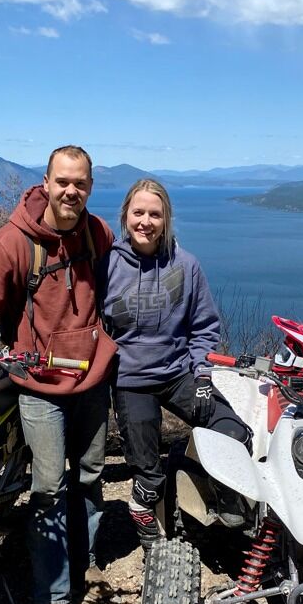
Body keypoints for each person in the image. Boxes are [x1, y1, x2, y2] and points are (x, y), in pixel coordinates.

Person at [0, 146, 116, 604]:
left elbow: (120, 284)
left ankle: (86, 562)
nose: (72, 191)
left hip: (91, 380)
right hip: (39, 385)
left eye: (81, 183)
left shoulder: (97, 235)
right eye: (63, 182)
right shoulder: (13, 242)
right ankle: (50, 598)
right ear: (46, 182)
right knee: (48, 487)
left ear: (90, 186)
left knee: (91, 478)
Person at [100, 178, 252, 550]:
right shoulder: (106, 265)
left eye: (155, 214)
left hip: (178, 374)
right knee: (147, 473)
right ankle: (144, 510)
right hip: (130, 380)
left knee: (234, 432)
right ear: (125, 216)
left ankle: (211, 493)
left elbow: (204, 326)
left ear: (166, 219)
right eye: (139, 213)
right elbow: (91, 323)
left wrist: (201, 372)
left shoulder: (186, 265)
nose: (146, 222)